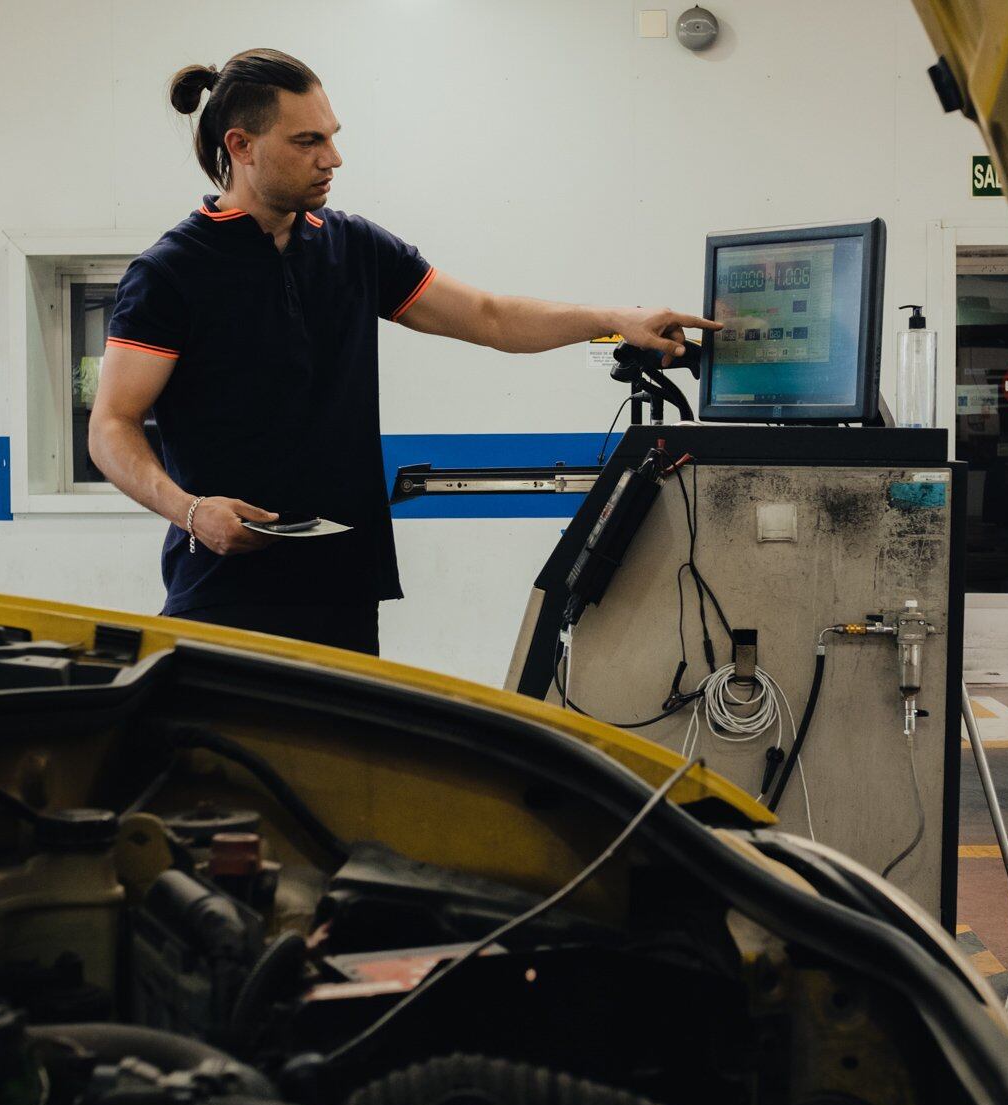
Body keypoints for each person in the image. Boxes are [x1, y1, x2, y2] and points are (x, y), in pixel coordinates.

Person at [89, 49, 718, 657]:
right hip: (225, 594)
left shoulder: (356, 248)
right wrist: (192, 512)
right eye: (308, 142)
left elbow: (490, 317)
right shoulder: (172, 273)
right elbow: (111, 427)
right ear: (241, 146)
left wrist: (615, 320)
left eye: (331, 137)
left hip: (344, 584)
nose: (332, 158)